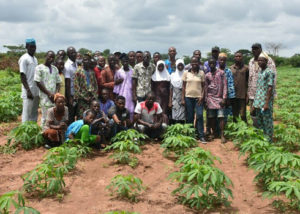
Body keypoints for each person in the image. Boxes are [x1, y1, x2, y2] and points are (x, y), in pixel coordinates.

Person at [248, 43, 277, 127]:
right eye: (253, 48)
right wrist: (248, 92)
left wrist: (271, 93)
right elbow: (250, 77)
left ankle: (266, 131)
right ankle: (257, 130)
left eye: (256, 48)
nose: (254, 50)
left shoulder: (269, 60)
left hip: (265, 94)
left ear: (260, 49)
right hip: (253, 93)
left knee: (265, 113)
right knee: (253, 112)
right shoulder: (251, 61)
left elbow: (273, 78)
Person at [181, 56, 206, 143]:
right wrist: (183, 99)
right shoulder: (186, 73)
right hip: (188, 97)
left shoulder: (202, 73)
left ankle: (201, 135)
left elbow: (203, 86)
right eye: (193, 63)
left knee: (199, 115)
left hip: (198, 98)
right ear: (190, 64)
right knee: (190, 117)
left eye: (196, 62)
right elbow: (183, 87)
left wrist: (202, 96)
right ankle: (190, 135)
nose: (194, 64)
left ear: (199, 63)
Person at [252, 54, 275, 142]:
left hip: (265, 102)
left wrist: (266, 103)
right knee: (260, 121)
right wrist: (255, 103)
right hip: (258, 102)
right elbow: (258, 88)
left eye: (262, 60)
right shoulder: (260, 71)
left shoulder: (269, 72)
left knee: (267, 121)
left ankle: (269, 140)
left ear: (266, 61)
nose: (260, 62)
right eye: (259, 60)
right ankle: (262, 138)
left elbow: (270, 88)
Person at [34, 51, 61, 127]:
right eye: (49, 56)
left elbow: (58, 82)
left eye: (53, 57)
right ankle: (43, 134)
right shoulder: (39, 68)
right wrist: (49, 94)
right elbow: (38, 82)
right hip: (45, 97)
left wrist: (56, 94)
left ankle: (51, 135)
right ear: (45, 56)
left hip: (54, 98)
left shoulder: (55, 68)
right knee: (45, 117)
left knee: (53, 117)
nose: (51, 59)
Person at [205, 58, 227, 143]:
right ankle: (214, 133)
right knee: (211, 117)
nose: (211, 65)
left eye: (213, 63)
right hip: (210, 98)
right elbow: (206, 88)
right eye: (210, 63)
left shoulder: (221, 73)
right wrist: (206, 100)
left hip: (220, 98)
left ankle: (222, 135)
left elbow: (225, 85)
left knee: (221, 117)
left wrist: (224, 98)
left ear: (216, 63)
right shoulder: (207, 75)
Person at [19, 38, 39, 122]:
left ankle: (33, 130)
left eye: (34, 47)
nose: (33, 49)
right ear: (26, 47)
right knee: (27, 113)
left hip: (36, 90)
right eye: (31, 47)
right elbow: (22, 75)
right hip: (28, 90)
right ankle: (25, 132)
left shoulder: (35, 59)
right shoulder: (24, 58)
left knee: (34, 112)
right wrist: (28, 90)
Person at [74, 54, 98, 119]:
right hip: (83, 99)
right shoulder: (78, 71)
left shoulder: (92, 72)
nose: (86, 61)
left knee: (92, 116)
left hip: (91, 98)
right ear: (82, 61)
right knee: (83, 116)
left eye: (88, 60)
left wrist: (94, 96)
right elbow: (76, 86)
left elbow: (95, 85)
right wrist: (84, 97)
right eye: (85, 60)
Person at [113, 53, 135, 119]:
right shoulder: (119, 72)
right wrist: (116, 97)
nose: (125, 62)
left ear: (128, 61)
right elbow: (116, 86)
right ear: (121, 62)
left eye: (126, 61)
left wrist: (134, 95)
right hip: (121, 94)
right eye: (123, 61)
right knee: (121, 109)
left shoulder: (133, 71)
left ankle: (130, 125)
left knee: (131, 110)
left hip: (130, 94)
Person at [230, 51, 249, 122]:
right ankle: (236, 130)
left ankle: (245, 129)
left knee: (243, 114)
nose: (238, 58)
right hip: (233, 95)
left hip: (242, 95)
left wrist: (247, 94)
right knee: (235, 115)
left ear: (242, 58)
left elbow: (248, 82)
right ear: (234, 58)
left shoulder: (246, 68)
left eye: (239, 56)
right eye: (236, 56)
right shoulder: (231, 68)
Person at [218, 53, 235, 122]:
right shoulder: (215, 71)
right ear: (218, 60)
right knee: (219, 114)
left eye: (224, 60)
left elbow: (231, 85)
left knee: (227, 114)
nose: (222, 62)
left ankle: (226, 129)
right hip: (217, 97)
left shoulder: (228, 71)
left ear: (226, 61)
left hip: (227, 97)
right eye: (221, 60)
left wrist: (230, 98)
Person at [169, 59, 186, 124]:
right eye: (179, 65)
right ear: (176, 66)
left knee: (182, 115)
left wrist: (183, 99)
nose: (180, 66)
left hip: (183, 98)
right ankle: (175, 130)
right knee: (175, 116)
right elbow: (171, 88)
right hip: (175, 98)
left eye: (181, 65)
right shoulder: (173, 75)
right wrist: (170, 101)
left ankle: (182, 130)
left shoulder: (186, 74)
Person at [64, 46, 77, 123]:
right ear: (68, 54)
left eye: (74, 52)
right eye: (71, 53)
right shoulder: (67, 65)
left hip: (76, 93)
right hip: (71, 94)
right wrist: (69, 98)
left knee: (76, 113)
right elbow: (67, 83)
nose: (74, 54)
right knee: (71, 115)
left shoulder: (75, 63)